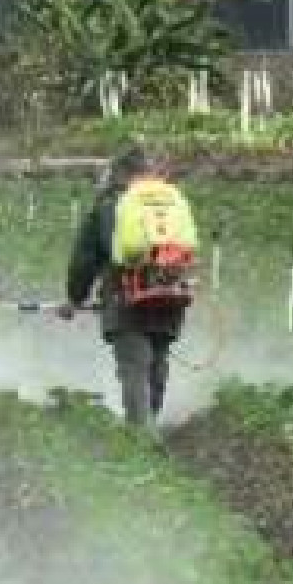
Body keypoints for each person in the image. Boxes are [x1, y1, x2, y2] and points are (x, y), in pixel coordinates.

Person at [61, 147, 199, 427]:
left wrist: (75, 298)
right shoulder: (167, 202)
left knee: (135, 365)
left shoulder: (109, 204)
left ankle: (141, 437)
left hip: (125, 297)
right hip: (168, 294)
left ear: (117, 174)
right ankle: (151, 424)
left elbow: (84, 259)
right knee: (157, 359)